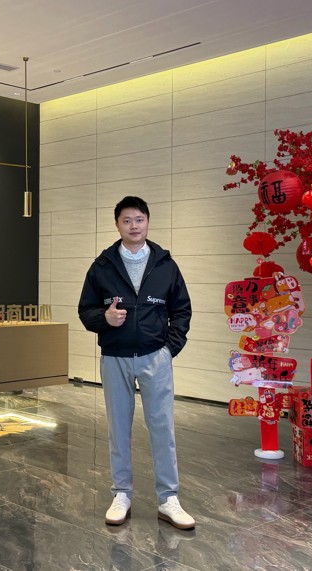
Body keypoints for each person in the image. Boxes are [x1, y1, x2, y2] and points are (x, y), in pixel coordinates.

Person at [78, 196, 194, 530]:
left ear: (147, 222)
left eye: (139, 219)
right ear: (117, 225)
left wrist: (168, 348)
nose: (134, 226)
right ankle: (121, 494)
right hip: (115, 357)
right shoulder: (102, 266)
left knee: (162, 427)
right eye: (127, 220)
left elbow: (181, 310)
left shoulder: (165, 265)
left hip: (154, 355)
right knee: (118, 428)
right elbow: (85, 311)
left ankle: (169, 499)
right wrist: (105, 318)